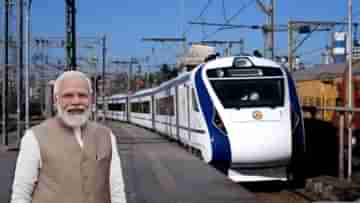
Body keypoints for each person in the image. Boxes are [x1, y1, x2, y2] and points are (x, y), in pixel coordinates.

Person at [11, 71, 126, 203]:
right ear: (56, 99)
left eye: (82, 95)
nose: (76, 101)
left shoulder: (107, 136)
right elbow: (21, 195)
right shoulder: (34, 137)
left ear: (91, 99)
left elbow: (117, 191)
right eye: (68, 95)